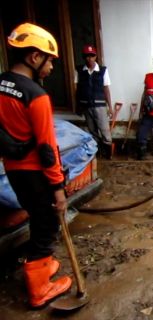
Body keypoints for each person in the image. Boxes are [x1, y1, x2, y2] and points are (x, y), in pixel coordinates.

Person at [0, 23, 72, 307]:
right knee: (47, 225)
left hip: (14, 171)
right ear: (33, 57)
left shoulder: (1, 85)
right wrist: (58, 191)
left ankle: (41, 265)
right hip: (36, 173)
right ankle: (39, 289)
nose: (51, 67)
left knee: (35, 216)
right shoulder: (36, 95)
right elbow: (47, 150)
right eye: (50, 60)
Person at [75, 44, 113, 159]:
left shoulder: (102, 70)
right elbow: (76, 89)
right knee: (92, 131)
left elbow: (106, 88)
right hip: (86, 105)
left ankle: (108, 155)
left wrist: (110, 107)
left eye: (92, 56)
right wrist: (78, 105)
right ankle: (97, 153)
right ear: (84, 57)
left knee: (104, 130)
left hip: (100, 105)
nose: (89, 58)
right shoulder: (79, 71)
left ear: (96, 56)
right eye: (87, 56)